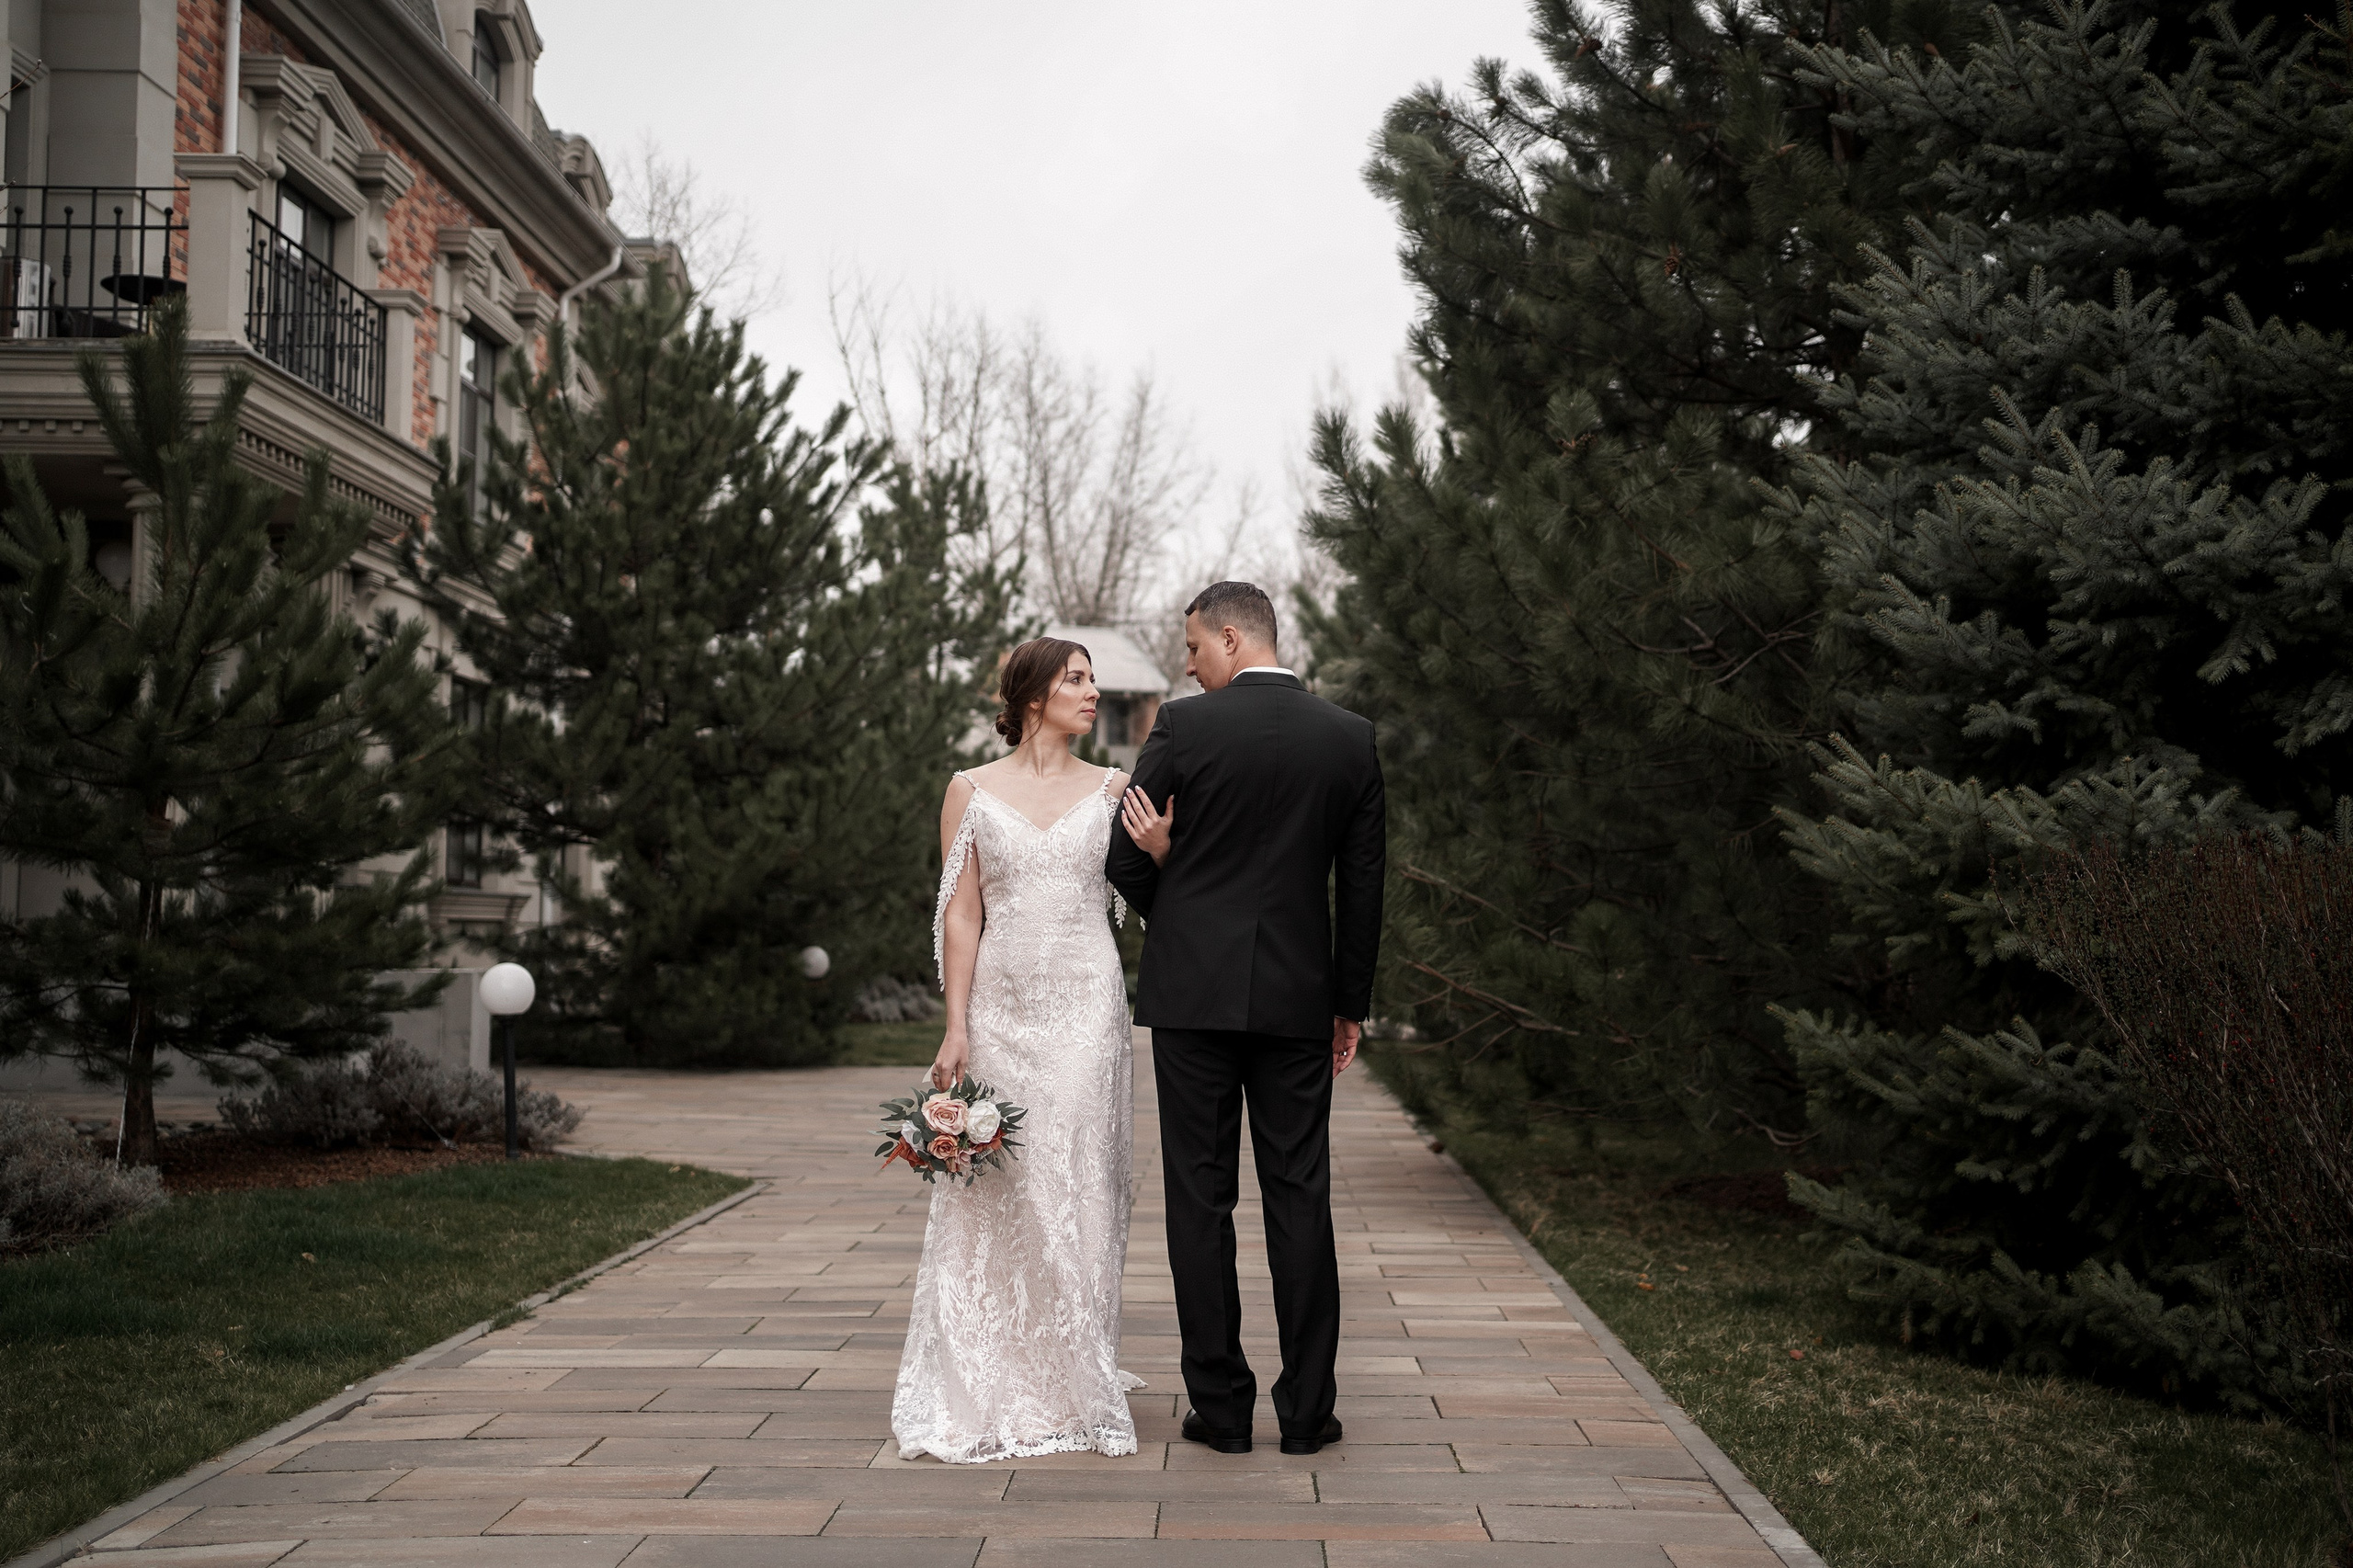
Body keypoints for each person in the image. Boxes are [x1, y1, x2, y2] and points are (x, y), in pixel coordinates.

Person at [1108, 581, 1386, 1457]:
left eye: (1193, 648)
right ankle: (1307, 1415)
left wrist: (1176, 897)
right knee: (1301, 1194)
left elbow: (1124, 852)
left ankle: (1221, 1413)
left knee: (1201, 1197)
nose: (1187, 666)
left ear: (1232, 640)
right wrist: (1350, 1004)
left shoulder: (1186, 729)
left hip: (1193, 998)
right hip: (1301, 1000)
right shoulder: (1350, 739)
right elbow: (1365, 886)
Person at [890, 636, 1142, 1463]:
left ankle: (1079, 1366)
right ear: (1033, 695)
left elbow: (1154, 887)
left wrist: (1165, 853)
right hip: (1001, 1006)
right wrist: (956, 1024)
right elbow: (961, 914)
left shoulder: (1115, 789)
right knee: (1006, 1184)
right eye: (1077, 679)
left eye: (1094, 681)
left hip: (1087, 1005)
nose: (1093, 693)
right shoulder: (968, 791)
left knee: (1076, 1172)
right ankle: (997, 1360)